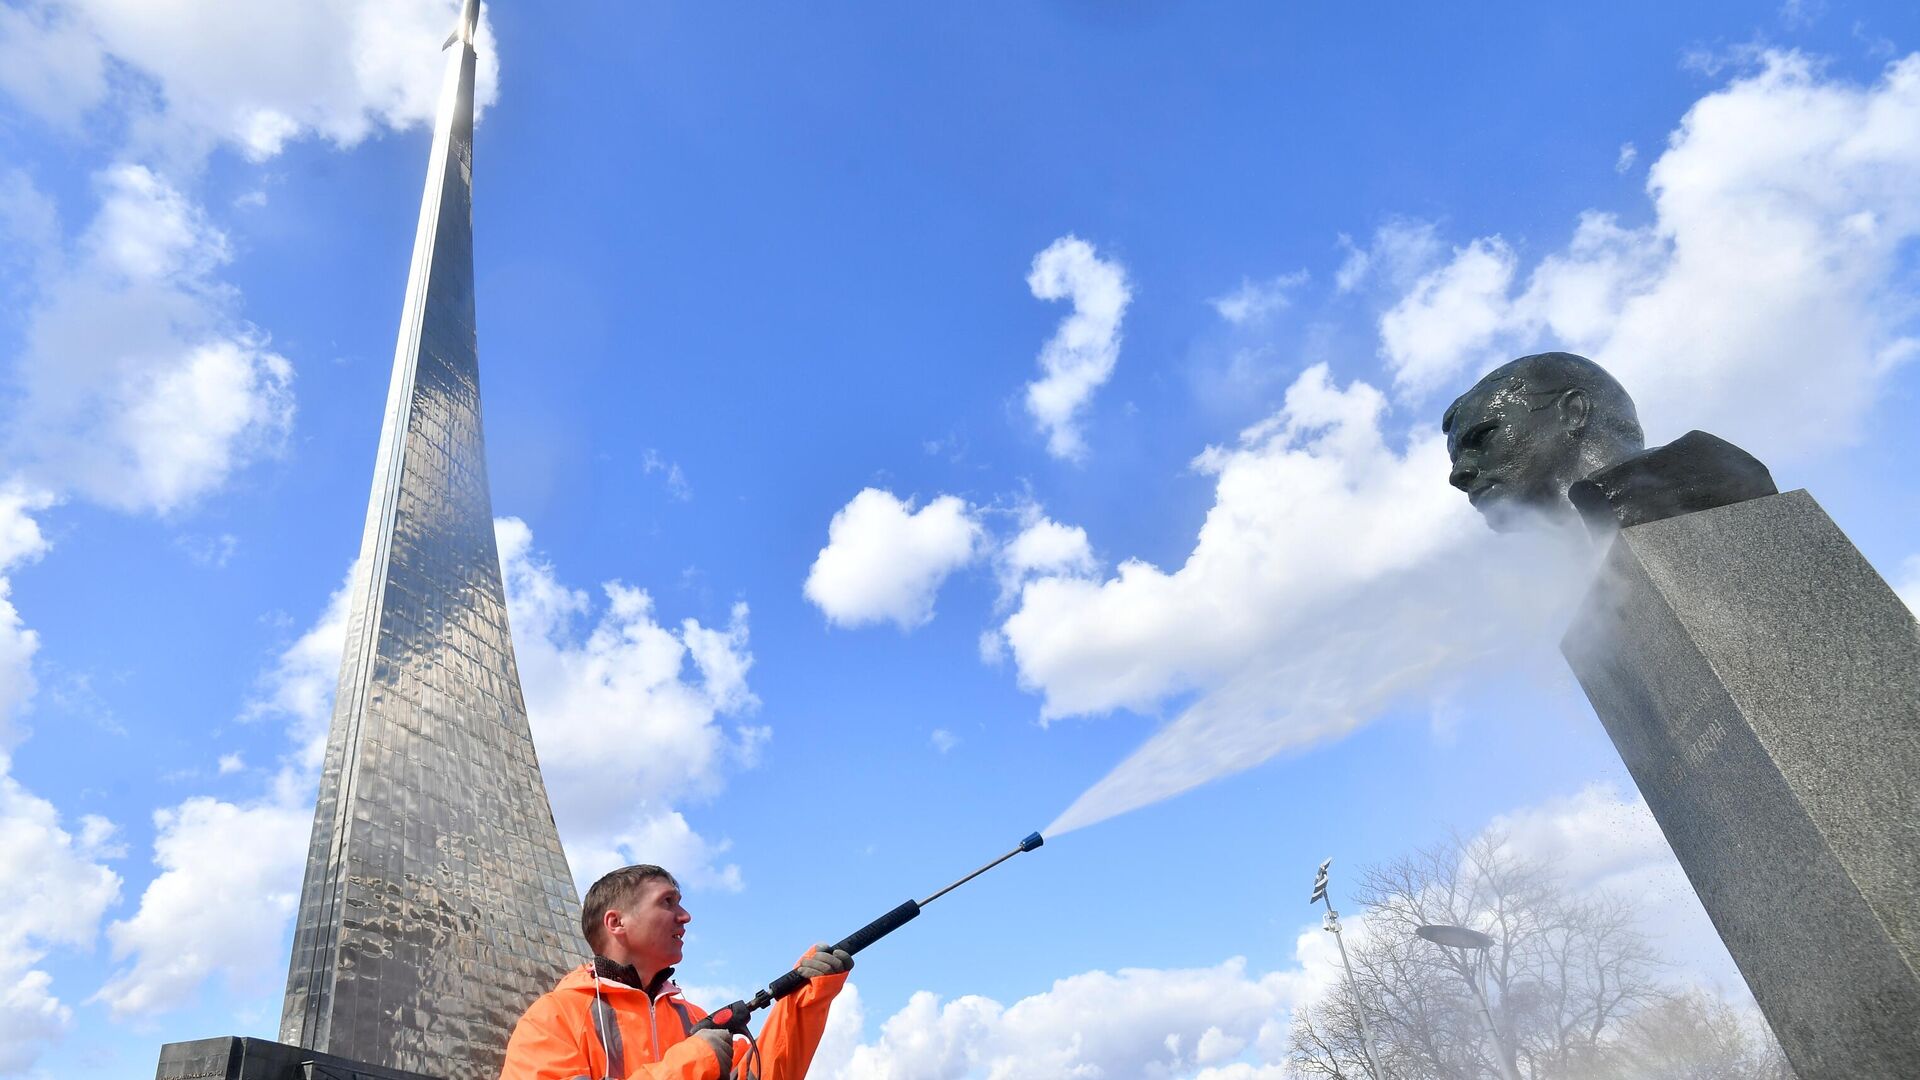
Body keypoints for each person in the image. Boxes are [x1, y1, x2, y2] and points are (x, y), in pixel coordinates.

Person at [500, 864, 851, 1080]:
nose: (685, 916)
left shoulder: (696, 1021)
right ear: (616, 922)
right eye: (668, 902)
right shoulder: (553, 1019)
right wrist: (692, 1062)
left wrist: (804, 998)